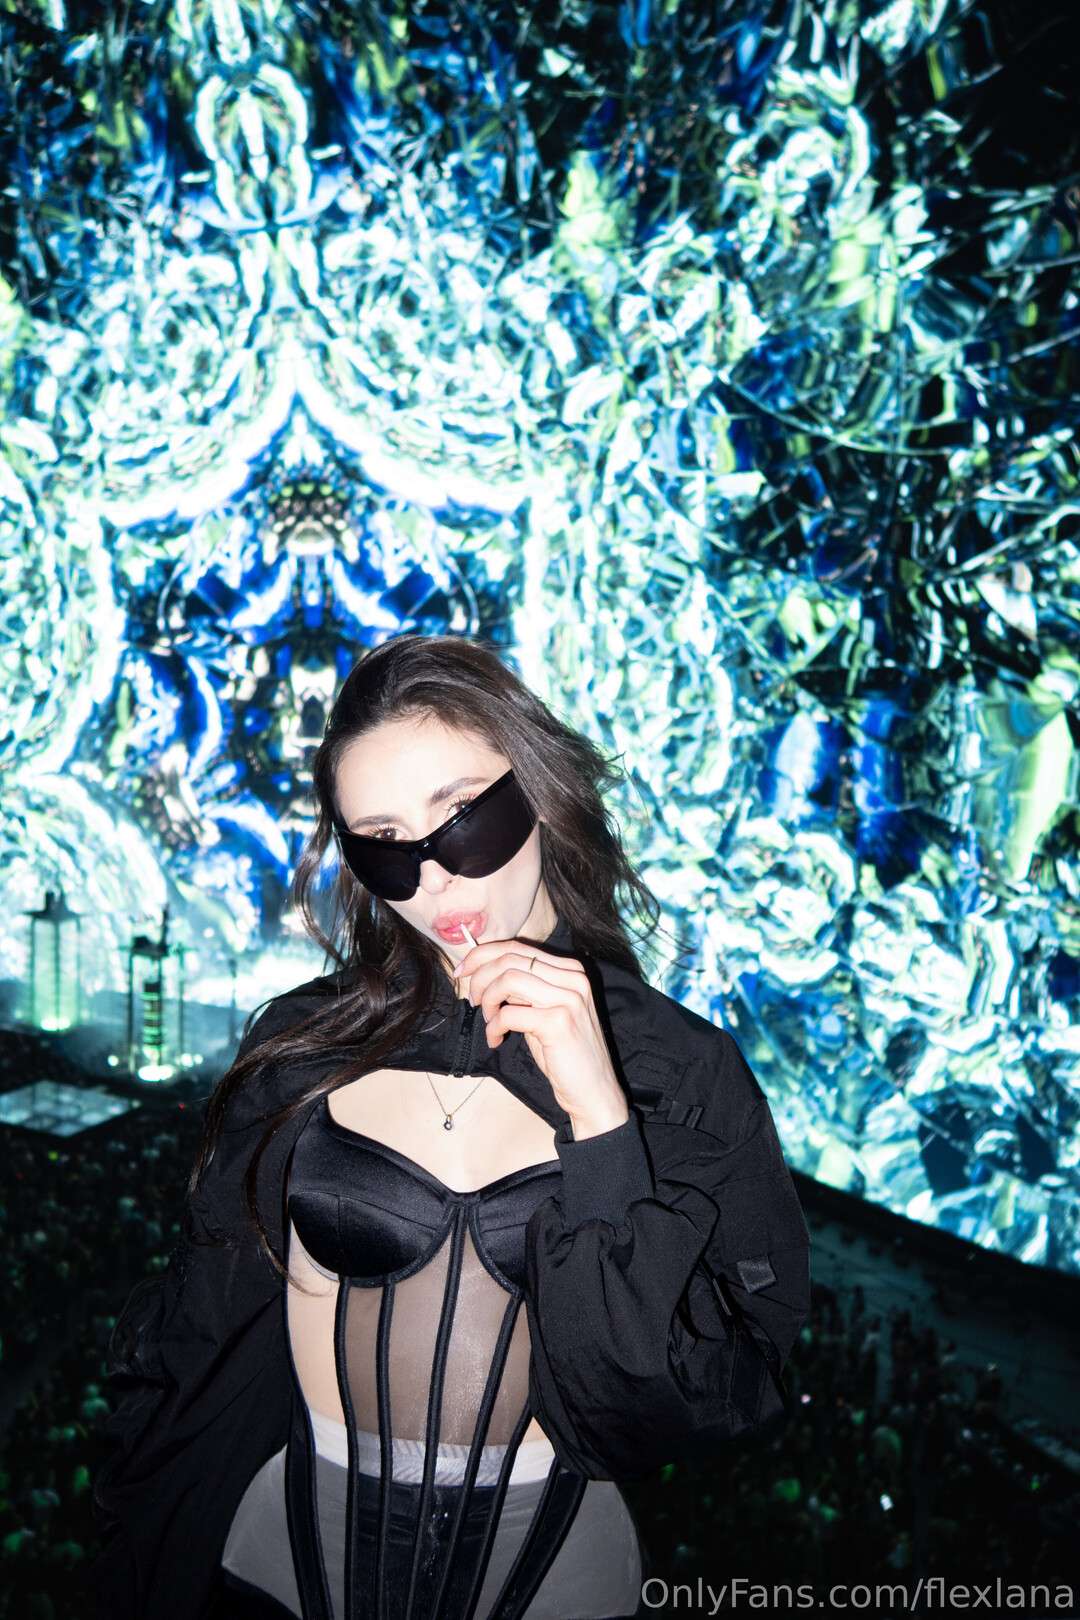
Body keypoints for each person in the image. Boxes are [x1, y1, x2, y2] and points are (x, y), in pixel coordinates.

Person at [93, 635, 810, 1620]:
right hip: (277, 1569)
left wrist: (603, 1125)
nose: (430, 877)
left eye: (462, 817)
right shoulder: (300, 1050)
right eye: (384, 841)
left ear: (541, 792)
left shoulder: (683, 1072)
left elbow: (659, 1412)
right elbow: (199, 1345)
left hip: (556, 1582)